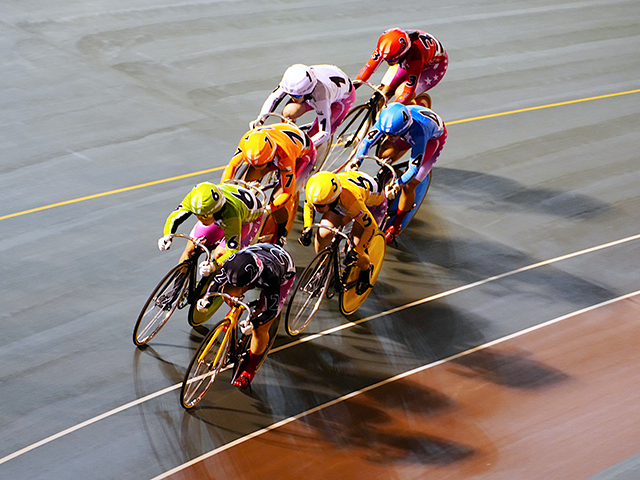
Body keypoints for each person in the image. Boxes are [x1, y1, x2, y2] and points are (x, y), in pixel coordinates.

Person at [196, 243, 296, 389]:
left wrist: (255, 323)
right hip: (253, 258)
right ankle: (236, 310)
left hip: (282, 272)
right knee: (230, 292)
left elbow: (271, 311)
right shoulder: (231, 263)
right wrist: (206, 299)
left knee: (260, 330)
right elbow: (217, 282)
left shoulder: (271, 276)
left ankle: (251, 367)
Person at [352, 102, 447, 242]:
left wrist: (398, 184)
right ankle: (387, 172)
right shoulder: (386, 119)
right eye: (387, 134)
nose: (388, 137)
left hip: (432, 140)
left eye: (392, 135)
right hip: (406, 132)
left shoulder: (419, 134)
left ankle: (397, 225)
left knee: (409, 186)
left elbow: (413, 168)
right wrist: (356, 162)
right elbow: (367, 142)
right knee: (384, 154)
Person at [222, 123, 317, 245]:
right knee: (245, 183)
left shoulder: (286, 155)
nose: (257, 168)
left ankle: (281, 233)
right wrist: (224, 190)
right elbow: (232, 166)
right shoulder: (248, 140)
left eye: (260, 165)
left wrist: (268, 209)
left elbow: (287, 193)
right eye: (254, 165)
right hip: (274, 150)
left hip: (301, 157)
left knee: (277, 198)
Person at [299, 171, 386, 295]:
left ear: (332, 200)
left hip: (370, 206)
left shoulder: (352, 203)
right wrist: (307, 228)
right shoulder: (317, 190)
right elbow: (308, 205)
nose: (317, 209)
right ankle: (323, 267)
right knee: (323, 232)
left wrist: (358, 251)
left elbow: (371, 228)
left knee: (354, 250)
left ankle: (366, 269)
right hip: (345, 199)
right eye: (316, 205)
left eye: (320, 206)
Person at [158, 182, 263, 271]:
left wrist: (213, 267)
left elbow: (233, 251)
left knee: (219, 254)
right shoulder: (194, 200)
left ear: (216, 210)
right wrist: (167, 235)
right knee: (191, 247)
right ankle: (177, 288)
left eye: (205, 215)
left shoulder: (231, 214)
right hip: (221, 213)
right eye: (197, 214)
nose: (201, 219)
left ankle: (215, 289)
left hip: (247, 220)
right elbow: (174, 217)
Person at [251, 64, 356, 152]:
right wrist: (260, 119)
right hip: (316, 92)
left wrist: (301, 146)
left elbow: (324, 133)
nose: (292, 98)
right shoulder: (293, 82)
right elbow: (274, 98)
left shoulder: (321, 96)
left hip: (341, 100)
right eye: (289, 94)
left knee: (312, 138)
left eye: (295, 96)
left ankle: (309, 167)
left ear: (307, 93)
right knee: (288, 111)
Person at [355, 28, 447, 106]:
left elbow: (408, 91)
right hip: (407, 59)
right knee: (382, 92)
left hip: (433, 66)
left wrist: (392, 110)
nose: (388, 63)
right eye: (386, 59)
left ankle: (415, 118)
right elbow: (369, 67)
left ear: (403, 55)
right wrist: (354, 86)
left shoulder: (416, 56)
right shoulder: (385, 45)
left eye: (392, 60)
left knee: (400, 93)